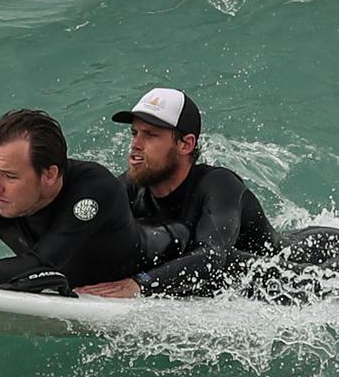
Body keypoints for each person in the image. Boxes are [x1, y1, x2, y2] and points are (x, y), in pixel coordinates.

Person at [75, 87, 339, 300]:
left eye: (150, 135)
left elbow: (213, 257)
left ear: (185, 144)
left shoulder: (218, 184)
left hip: (312, 262)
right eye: (134, 133)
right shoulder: (133, 187)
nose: (135, 145)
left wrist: (140, 284)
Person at [0, 108, 179, 290]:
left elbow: (43, 265)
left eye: (10, 176)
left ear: (49, 174)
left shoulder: (93, 189)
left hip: (163, 257)